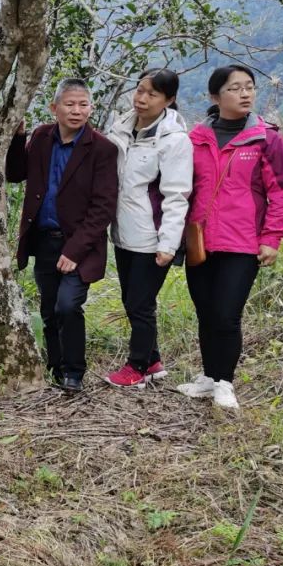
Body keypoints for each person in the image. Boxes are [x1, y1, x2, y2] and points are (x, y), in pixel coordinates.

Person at [177, 65, 283, 410]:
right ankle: (208, 378)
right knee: (205, 312)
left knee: (227, 314)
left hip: (242, 243)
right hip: (200, 240)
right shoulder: (196, 139)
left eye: (249, 87)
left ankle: (225, 382)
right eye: (235, 88)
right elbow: (182, 190)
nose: (245, 94)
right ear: (215, 97)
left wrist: (272, 237)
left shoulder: (267, 138)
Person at [5, 78, 118, 394]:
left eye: (83, 104)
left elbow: (103, 207)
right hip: (43, 240)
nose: (77, 110)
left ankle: (73, 373)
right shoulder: (42, 137)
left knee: (68, 305)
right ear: (54, 108)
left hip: (79, 245)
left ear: (91, 108)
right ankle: (56, 370)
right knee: (49, 308)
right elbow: (15, 174)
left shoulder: (102, 149)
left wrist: (75, 250)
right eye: (70, 104)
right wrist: (17, 137)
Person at [103, 69, 192, 388]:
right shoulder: (122, 128)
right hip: (124, 233)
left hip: (153, 237)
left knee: (140, 304)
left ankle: (137, 366)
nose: (141, 98)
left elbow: (177, 195)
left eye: (152, 94)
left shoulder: (174, 141)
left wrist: (168, 244)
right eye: (139, 90)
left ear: (169, 100)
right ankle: (153, 360)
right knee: (133, 300)